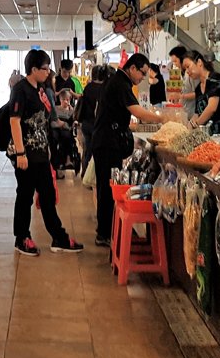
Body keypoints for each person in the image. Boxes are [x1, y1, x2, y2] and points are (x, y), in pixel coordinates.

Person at [9, 49, 83, 256]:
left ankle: (58, 237)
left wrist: (49, 148)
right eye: (45, 68)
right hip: (26, 154)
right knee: (24, 195)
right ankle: (22, 237)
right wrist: (20, 154)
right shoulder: (21, 90)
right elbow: (14, 121)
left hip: (41, 152)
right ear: (33, 69)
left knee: (48, 195)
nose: (48, 71)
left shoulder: (40, 89)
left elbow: (43, 121)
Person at [92, 53, 167, 247]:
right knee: (107, 188)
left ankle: (108, 230)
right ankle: (105, 233)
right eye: (142, 73)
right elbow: (136, 110)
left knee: (107, 187)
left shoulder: (118, 81)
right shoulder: (120, 83)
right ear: (132, 68)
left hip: (106, 141)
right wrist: (162, 118)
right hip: (107, 143)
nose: (142, 78)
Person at [184, 51, 220, 135]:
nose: (187, 72)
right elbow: (197, 113)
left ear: (199, 62)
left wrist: (195, 126)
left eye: (188, 67)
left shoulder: (216, 80)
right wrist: (188, 128)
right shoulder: (198, 89)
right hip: (213, 134)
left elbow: (211, 108)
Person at [75, 64, 108, 183]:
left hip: (86, 124)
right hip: (97, 125)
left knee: (87, 149)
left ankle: (84, 174)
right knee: (96, 152)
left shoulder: (88, 87)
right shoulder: (104, 89)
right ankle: (92, 178)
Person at [50, 89, 76, 179]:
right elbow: (52, 122)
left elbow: (72, 123)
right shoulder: (56, 109)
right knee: (54, 139)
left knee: (67, 138)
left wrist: (71, 111)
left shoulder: (71, 110)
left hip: (66, 130)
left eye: (67, 100)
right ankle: (57, 163)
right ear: (60, 100)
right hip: (56, 129)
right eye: (64, 99)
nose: (65, 101)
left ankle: (68, 159)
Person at [169, 46, 197, 120]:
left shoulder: (191, 74)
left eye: (175, 61)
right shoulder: (182, 74)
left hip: (194, 114)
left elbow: (198, 93)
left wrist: (181, 96)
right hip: (186, 113)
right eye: (173, 62)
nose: (174, 64)